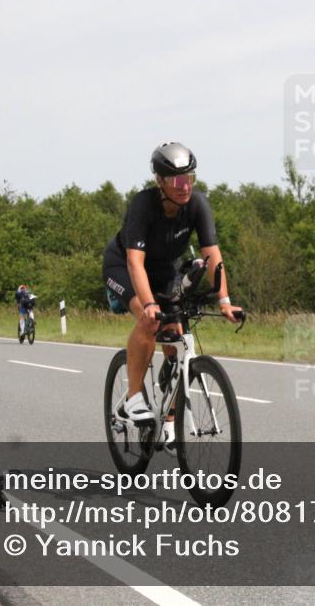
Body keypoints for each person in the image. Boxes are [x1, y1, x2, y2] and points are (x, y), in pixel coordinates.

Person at [102, 142, 242, 449]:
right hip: (124, 266)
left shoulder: (197, 205)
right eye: (177, 180)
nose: (185, 186)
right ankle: (133, 398)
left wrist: (225, 301)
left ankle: (168, 420)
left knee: (177, 336)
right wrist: (150, 304)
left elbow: (213, 255)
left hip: (164, 269)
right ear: (160, 182)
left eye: (190, 178)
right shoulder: (143, 204)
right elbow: (134, 262)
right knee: (149, 320)